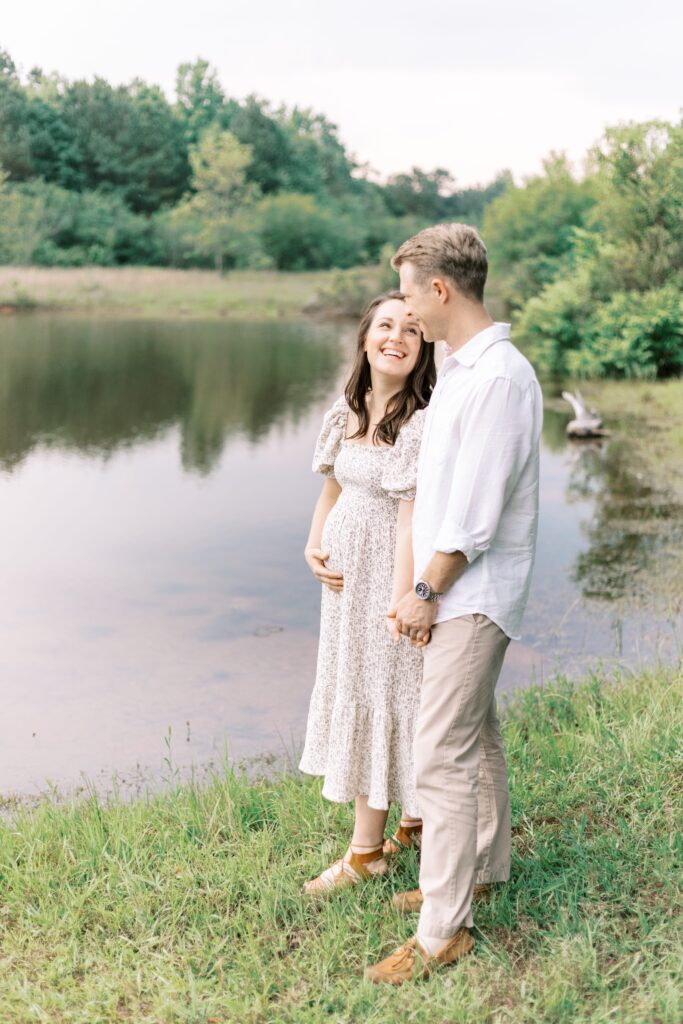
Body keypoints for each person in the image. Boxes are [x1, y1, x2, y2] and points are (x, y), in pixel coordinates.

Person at [366, 224, 543, 984]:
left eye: (408, 293)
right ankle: (478, 871)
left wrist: (421, 592)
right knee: (477, 738)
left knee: (440, 754)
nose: (404, 310)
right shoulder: (463, 370)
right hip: (457, 588)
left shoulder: (499, 377)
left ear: (439, 290)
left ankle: (443, 933)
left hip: (470, 591)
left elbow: (473, 515)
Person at [298, 290, 436, 893]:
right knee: (359, 686)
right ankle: (414, 820)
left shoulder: (420, 421)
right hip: (343, 584)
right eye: (385, 325)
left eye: (411, 328)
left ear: (424, 344)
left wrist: (404, 596)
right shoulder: (346, 412)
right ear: (364, 338)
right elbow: (333, 489)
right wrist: (312, 544)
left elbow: (410, 518)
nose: (397, 337)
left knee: (393, 692)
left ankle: (365, 853)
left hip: (387, 578)